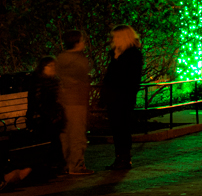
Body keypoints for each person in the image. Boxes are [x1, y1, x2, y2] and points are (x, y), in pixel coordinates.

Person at [101, 25, 143, 171]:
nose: (114, 40)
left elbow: (131, 78)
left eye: (117, 37)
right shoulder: (116, 53)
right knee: (117, 128)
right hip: (114, 97)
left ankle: (124, 158)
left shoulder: (133, 54)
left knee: (122, 128)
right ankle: (120, 157)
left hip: (123, 97)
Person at [55, 31, 92, 176]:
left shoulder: (60, 59)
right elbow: (83, 76)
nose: (84, 43)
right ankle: (76, 165)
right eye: (82, 40)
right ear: (76, 42)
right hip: (77, 101)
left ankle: (65, 163)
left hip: (64, 101)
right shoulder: (79, 60)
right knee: (77, 134)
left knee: (65, 134)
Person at [26, 56, 65, 178]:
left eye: (54, 65)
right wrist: (51, 116)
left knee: (59, 132)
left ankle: (58, 164)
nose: (53, 68)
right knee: (52, 133)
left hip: (52, 116)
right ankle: (54, 164)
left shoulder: (54, 80)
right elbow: (38, 103)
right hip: (41, 117)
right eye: (50, 66)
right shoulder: (38, 81)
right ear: (43, 68)